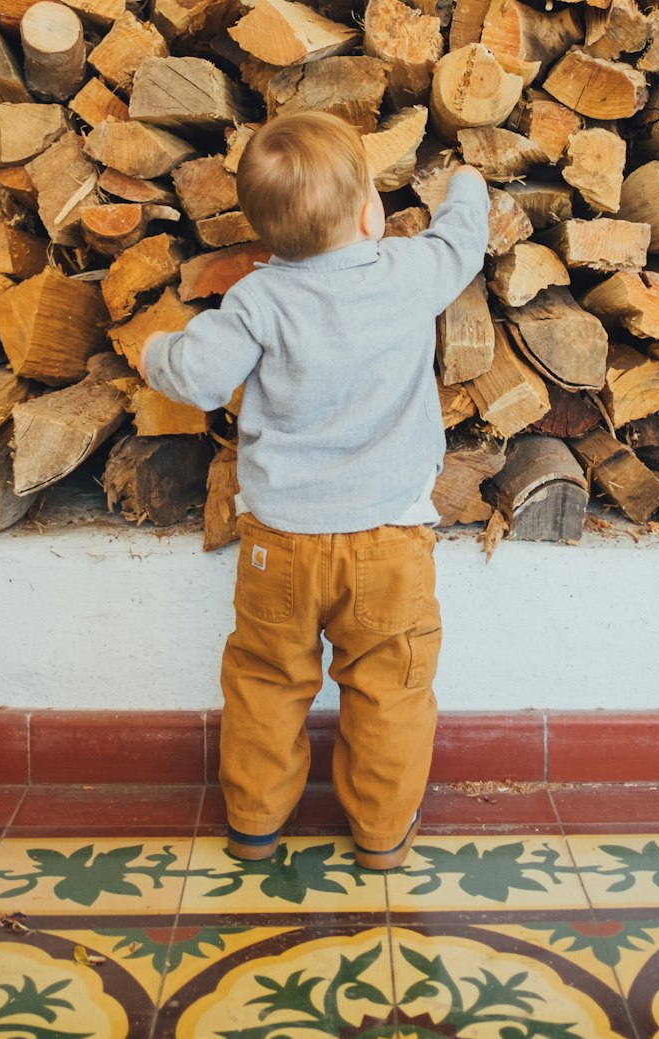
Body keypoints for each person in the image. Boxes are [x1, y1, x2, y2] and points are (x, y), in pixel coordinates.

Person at [141, 111, 490, 870]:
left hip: (280, 543)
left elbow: (196, 376)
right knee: (390, 688)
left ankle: (256, 825)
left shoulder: (259, 299)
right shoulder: (405, 273)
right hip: (390, 541)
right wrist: (466, 186)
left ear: (264, 235)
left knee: (266, 681)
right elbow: (462, 243)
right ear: (372, 212)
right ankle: (381, 836)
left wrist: (154, 350)